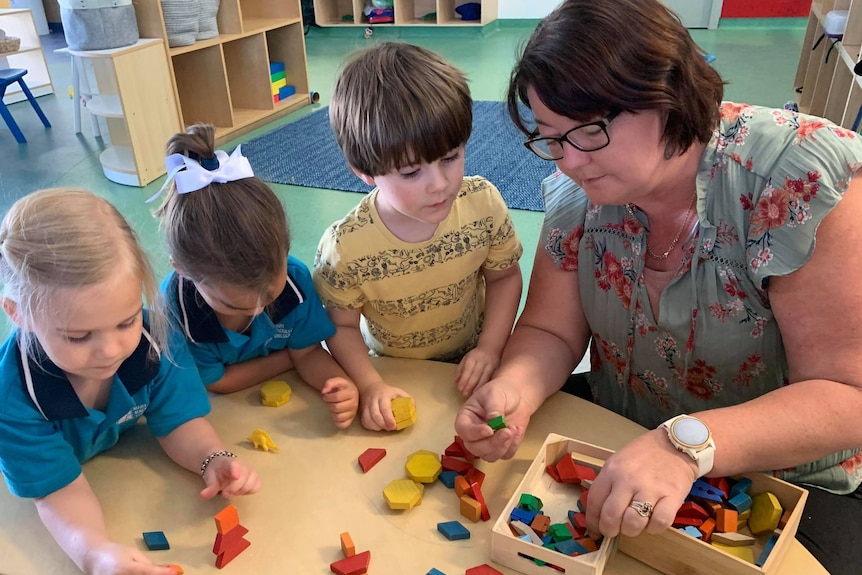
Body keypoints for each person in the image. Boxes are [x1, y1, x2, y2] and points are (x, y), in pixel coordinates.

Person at [453, 1, 862, 572]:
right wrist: (516, 390)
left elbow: (846, 394)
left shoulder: (793, 180)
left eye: (589, 131)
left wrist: (687, 444)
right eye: (550, 137)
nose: (569, 161)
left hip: (789, 479)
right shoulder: (578, 198)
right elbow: (549, 328)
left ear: (667, 96)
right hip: (623, 437)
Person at [0, 188, 260, 575]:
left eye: (125, 322)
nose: (110, 349)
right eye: (78, 336)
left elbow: (178, 420)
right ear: (19, 314)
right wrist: (95, 553)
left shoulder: (156, 334)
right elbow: (57, 490)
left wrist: (211, 458)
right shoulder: (13, 397)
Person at [313, 42, 524, 431]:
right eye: (411, 173)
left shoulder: (483, 204)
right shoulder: (345, 248)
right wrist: (370, 384)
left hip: (475, 359)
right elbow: (341, 327)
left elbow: (504, 277)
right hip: (394, 373)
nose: (440, 184)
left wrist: (491, 348)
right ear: (365, 170)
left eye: (451, 157)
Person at [154, 124, 359, 430]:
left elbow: (310, 353)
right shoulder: (176, 312)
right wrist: (291, 358)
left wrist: (339, 383)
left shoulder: (296, 281)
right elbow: (218, 381)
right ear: (183, 269)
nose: (257, 312)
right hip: (226, 421)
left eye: (271, 296)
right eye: (234, 306)